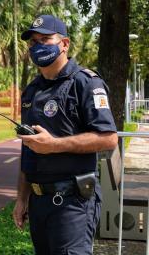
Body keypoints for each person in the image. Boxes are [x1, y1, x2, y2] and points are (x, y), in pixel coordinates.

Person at [13, 14, 119, 254]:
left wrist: (53, 145)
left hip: (73, 203)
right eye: (33, 42)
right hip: (39, 202)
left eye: (45, 39)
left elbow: (109, 138)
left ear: (65, 43)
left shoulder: (86, 83)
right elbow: (28, 149)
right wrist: (22, 197)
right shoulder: (31, 91)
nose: (38, 46)